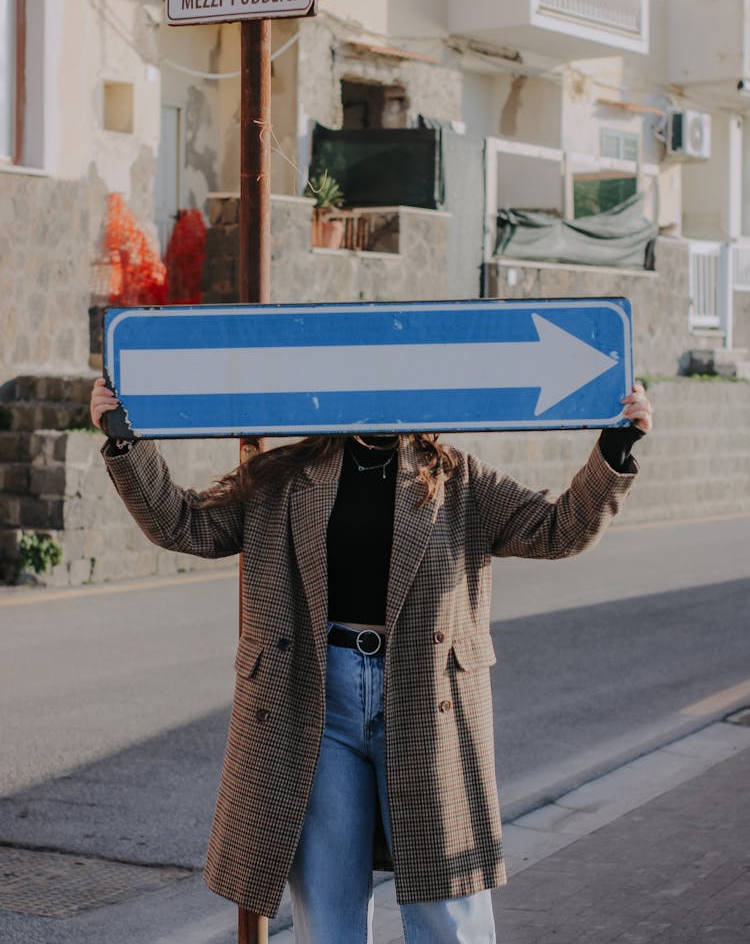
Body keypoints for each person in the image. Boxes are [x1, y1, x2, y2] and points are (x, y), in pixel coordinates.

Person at [90, 377, 652, 944]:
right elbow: (182, 522)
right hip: (317, 702)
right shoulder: (281, 477)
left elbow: (557, 529)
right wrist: (125, 442)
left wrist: (613, 450)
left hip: (427, 699)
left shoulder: (459, 478)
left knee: (449, 912)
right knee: (328, 918)